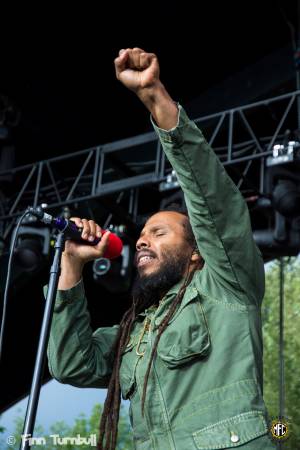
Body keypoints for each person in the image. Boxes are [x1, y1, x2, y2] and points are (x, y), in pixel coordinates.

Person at [46, 48, 276, 449]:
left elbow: (213, 200)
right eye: (142, 235)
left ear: (196, 252)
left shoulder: (225, 285)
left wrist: (155, 97)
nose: (141, 240)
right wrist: (71, 267)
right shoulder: (134, 331)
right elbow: (71, 364)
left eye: (159, 232)